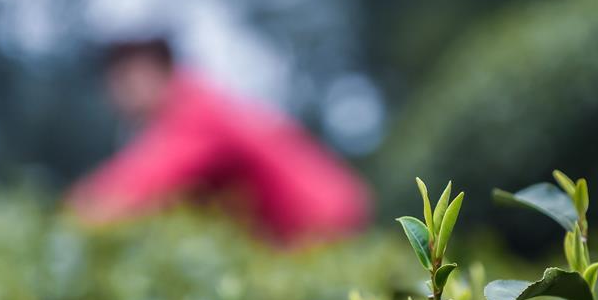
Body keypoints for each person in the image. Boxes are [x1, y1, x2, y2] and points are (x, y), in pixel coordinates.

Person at [67, 38, 371, 243]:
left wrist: (74, 213)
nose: (119, 96)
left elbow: (137, 186)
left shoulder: (194, 112)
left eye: (128, 80)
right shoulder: (197, 105)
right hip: (312, 224)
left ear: (160, 72)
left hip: (321, 224)